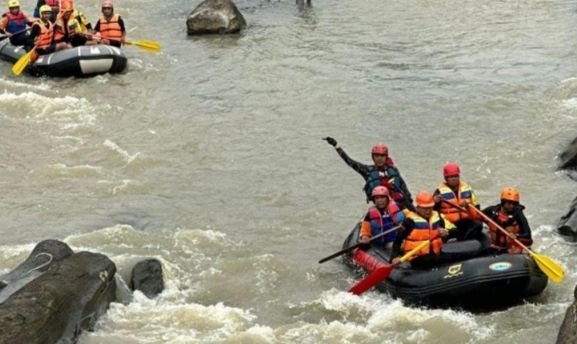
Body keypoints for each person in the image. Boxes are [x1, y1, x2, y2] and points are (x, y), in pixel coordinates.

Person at [323, 136, 414, 210]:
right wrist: (336, 146)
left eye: (382, 156)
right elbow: (350, 162)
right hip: (380, 206)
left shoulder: (393, 170)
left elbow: (403, 187)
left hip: (399, 204)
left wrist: (409, 201)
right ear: (373, 157)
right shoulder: (367, 170)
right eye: (377, 156)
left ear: (386, 157)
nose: (379, 158)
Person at [391, 191, 456, 269]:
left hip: (436, 254)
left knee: (452, 257)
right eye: (425, 208)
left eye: (430, 208)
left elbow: (446, 236)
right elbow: (398, 240)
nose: (428, 211)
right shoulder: (409, 221)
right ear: (417, 207)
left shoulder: (437, 217)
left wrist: (445, 234)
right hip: (417, 258)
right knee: (431, 260)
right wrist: (394, 258)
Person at [472, 187, 533, 254]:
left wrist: (517, 236)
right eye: (509, 203)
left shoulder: (518, 214)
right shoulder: (492, 210)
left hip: (511, 249)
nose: (511, 206)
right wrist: (467, 207)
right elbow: (476, 216)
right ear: (503, 202)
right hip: (496, 246)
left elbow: (527, 234)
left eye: (514, 203)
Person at [433, 162, 483, 241]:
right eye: (451, 177)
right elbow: (433, 213)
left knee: (478, 225)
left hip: (464, 221)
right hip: (449, 222)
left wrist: (467, 205)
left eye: (456, 176)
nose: (454, 179)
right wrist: (434, 202)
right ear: (446, 178)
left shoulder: (467, 188)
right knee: (453, 231)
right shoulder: (439, 191)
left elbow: (477, 207)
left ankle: (466, 241)